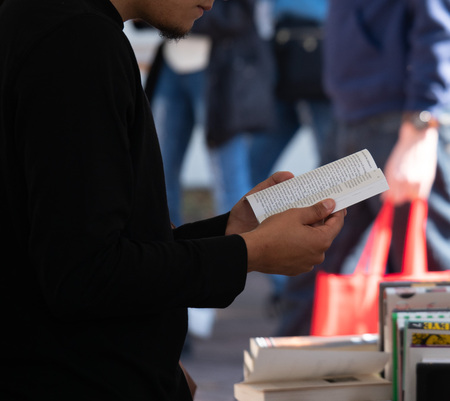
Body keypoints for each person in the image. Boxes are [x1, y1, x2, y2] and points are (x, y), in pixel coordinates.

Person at [0, 0, 345, 399]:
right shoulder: (79, 42)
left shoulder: (44, 21)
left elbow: (84, 244)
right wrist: (247, 254)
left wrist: (228, 232)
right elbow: (85, 274)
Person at [248, 0, 335, 325]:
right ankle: (288, 283)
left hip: (319, 52)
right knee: (253, 169)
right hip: (280, 55)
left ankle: (313, 283)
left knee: (336, 177)